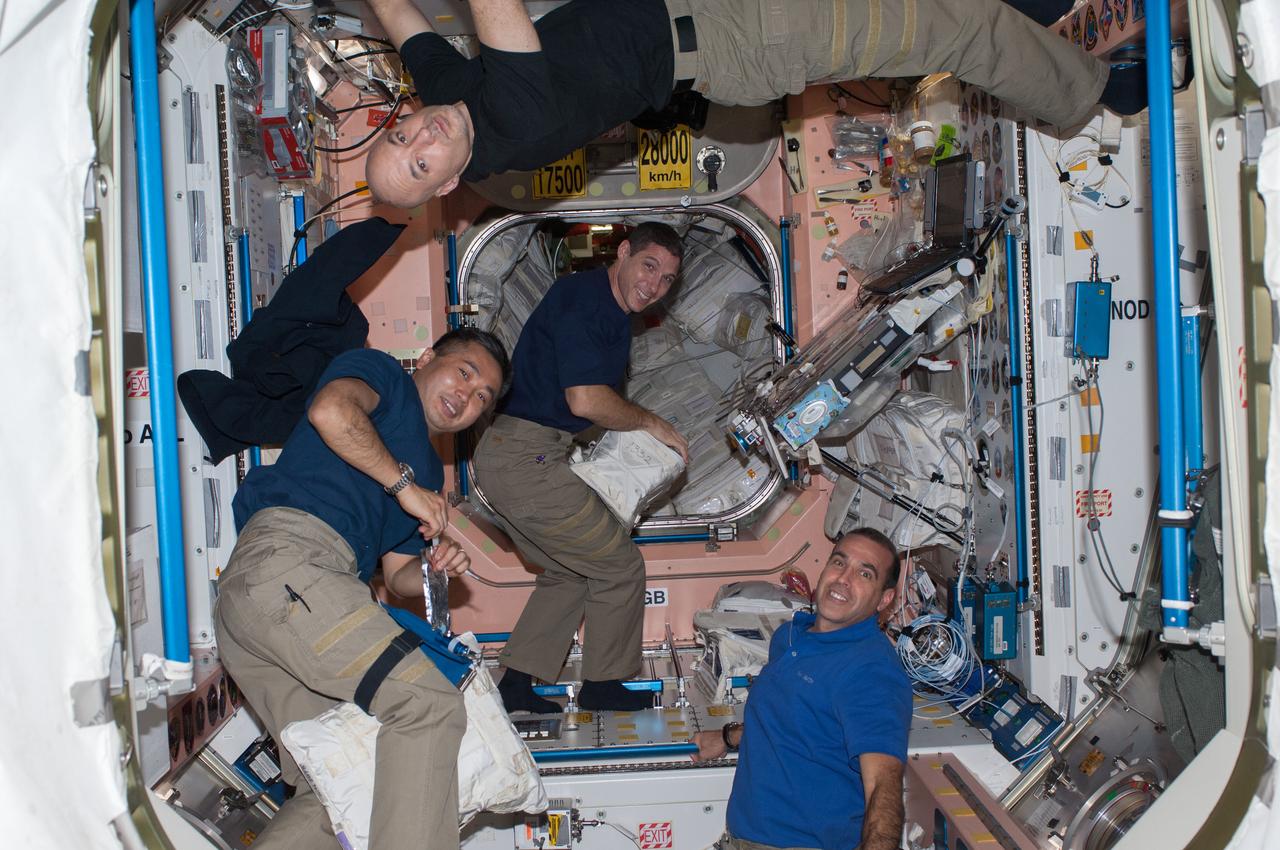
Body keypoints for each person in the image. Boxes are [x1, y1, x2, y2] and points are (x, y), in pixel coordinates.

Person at [362, 0, 1143, 207]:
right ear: (445, 185)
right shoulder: (509, 127)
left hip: (706, 11)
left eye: (402, 138)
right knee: (956, 31)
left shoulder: (452, 108)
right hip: (743, 35)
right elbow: (494, 7)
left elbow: (402, 22)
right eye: (420, 162)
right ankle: (1098, 92)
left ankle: (1049, 19)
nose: (421, 135)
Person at [214, 327, 511, 850]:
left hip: (283, 597)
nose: (468, 396)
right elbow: (332, 412)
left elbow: (395, 575)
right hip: (291, 560)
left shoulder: (427, 472)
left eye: (483, 398)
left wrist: (432, 568)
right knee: (428, 704)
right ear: (426, 357)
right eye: (465, 373)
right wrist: (405, 488)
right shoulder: (383, 378)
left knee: (339, 785)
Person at [471, 222, 689, 714]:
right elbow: (587, 399)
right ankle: (604, 685)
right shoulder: (586, 302)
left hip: (524, 453)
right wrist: (651, 424)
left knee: (568, 571)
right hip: (525, 458)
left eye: (667, 280)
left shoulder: (609, 309)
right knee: (619, 567)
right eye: (649, 267)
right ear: (625, 252)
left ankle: (517, 684)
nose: (653, 286)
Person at [690, 529, 912, 850]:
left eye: (865, 573)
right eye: (839, 562)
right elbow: (790, 718)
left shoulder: (872, 672)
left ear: (884, 599)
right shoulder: (791, 637)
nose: (843, 579)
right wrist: (726, 738)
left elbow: (883, 786)